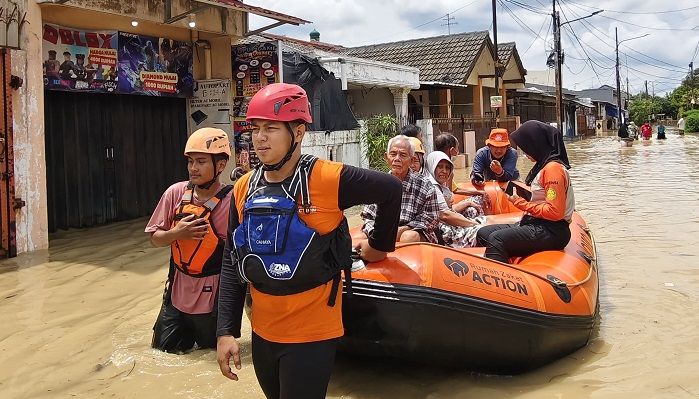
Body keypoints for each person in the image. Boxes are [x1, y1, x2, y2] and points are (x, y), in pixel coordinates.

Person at [216, 83, 401, 399]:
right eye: (256, 128)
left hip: (312, 333)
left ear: (298, 132)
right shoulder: (243, 188)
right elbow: (231, 262)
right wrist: (226, 331)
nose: (259, 138)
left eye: (271, 128)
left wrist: (379, 246)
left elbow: (390, 189)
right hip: (263, 332)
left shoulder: (327, 178)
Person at [145, 127, 233, 353]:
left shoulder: (233, 201)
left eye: (201, 161)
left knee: (210, 355)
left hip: (212, 300)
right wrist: (177, 233)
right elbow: (154, 239)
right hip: (176, 294)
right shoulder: (175, 193)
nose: (193, 168)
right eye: (190, 161)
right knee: (161, 353)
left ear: (220, 165)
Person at [476, 120, 575, 263]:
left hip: (552, 230)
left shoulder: (553, 169)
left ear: (536, 144)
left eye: (526, 146)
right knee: (483, 233)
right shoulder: (543, 166)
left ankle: (498, 279)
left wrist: (519, 202)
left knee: (496, 239)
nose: (524, 151)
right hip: (536, 223)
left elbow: (555, 212)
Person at [362, 135, 440, 244]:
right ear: (386, 157)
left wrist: (404, 229)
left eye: (403, 155)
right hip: (383, 233)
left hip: (413, 232)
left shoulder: (425, 185)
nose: (397, 159)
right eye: (393, 154)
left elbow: (431, 219)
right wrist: (378, 233)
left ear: (412, 160)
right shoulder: (377, 184)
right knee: (360, 238)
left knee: (408, 237)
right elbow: (368, 216)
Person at [425, 151, 486, 248]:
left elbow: (448, 210)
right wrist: (473, 224)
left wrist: (469, 203)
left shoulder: (441, 184)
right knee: (483, 228)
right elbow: (446, 215)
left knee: (475, 210)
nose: (444, 171)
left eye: (447, 168)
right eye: (440, 167)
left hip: (448, 225)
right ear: (432, 167)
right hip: (444, 232)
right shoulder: (431, 187)